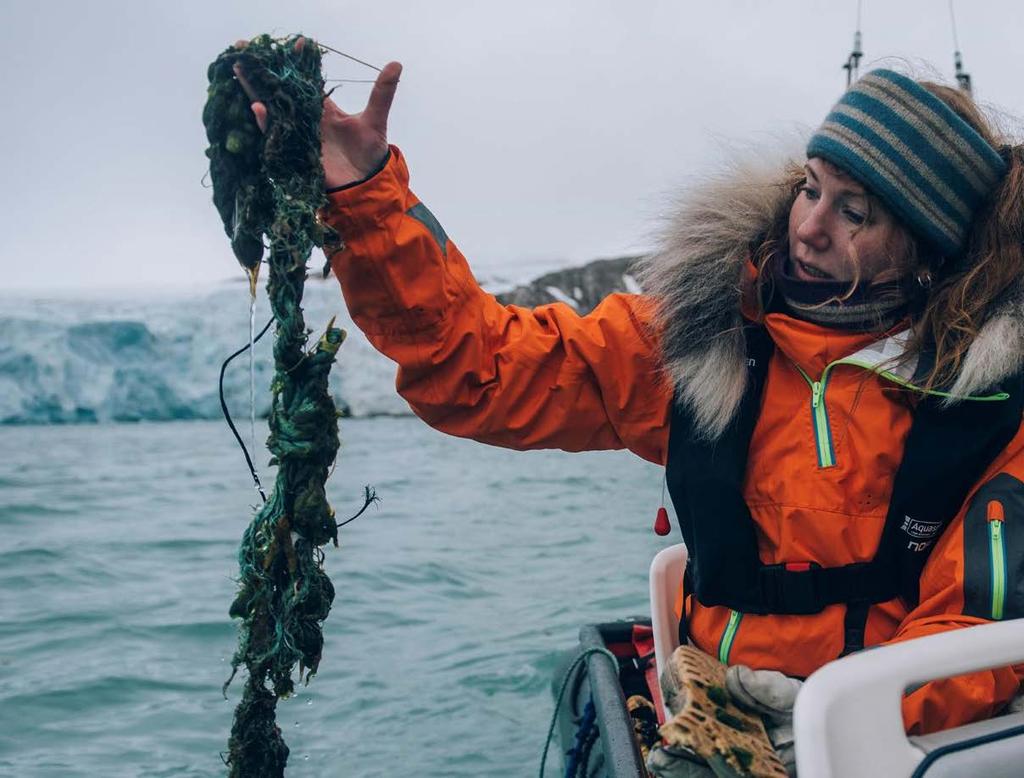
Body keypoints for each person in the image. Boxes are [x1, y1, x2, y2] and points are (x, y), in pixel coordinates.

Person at [236, 43, 1023, 770]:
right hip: (708, 706)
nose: (809, 228)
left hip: (885, 738)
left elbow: (979, 637)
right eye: (811, 187)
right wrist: (366, 196)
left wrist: (829, 721)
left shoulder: (989, 404)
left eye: (856, 213)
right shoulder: (697, 339)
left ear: (927, 243)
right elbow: (475, 370)